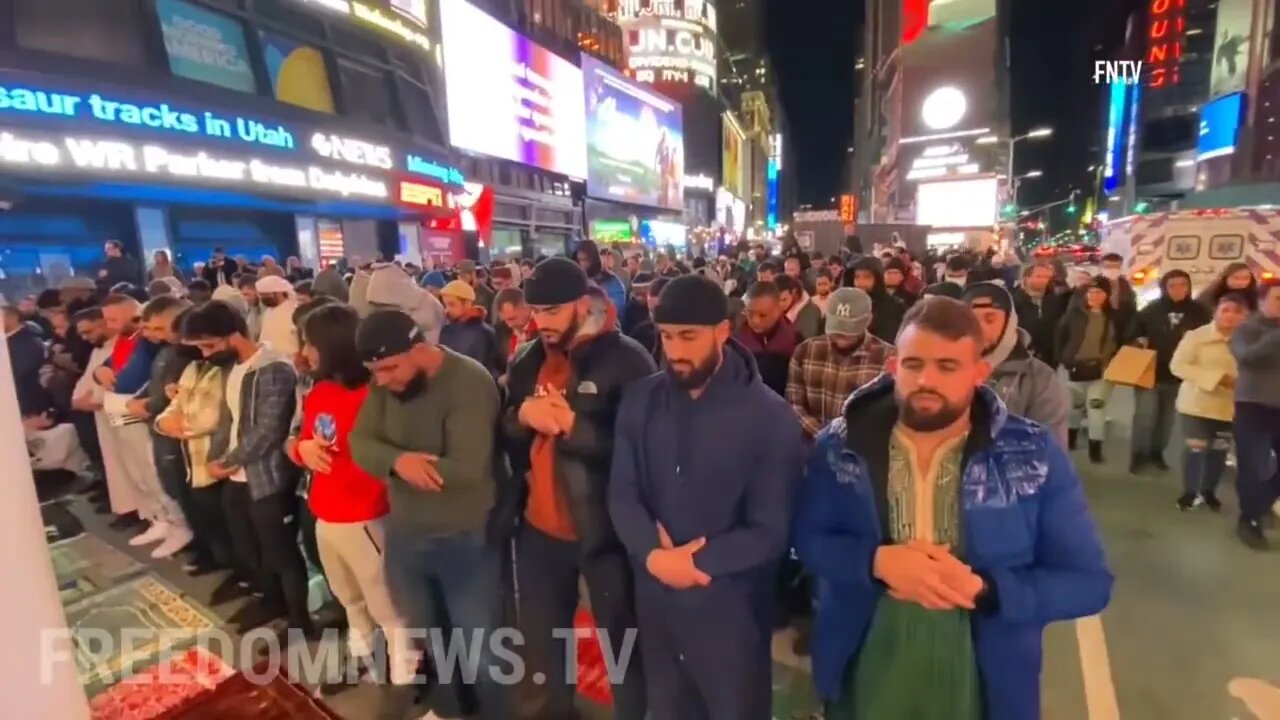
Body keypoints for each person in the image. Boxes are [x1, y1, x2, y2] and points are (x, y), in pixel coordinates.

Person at [795, 296, 1112, 720]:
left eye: (947, 367)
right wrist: (874, 562)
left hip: (983, 665)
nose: (927, 379)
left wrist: (987, 590)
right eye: (913, 365)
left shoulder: (1033, 455)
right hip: (866, 650)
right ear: (893, 368)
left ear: (979, 373)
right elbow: (808, 540)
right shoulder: (841, 446)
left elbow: (1089, 583)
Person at [609, 274, 803, 719]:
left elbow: (772, 530)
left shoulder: (770, 419)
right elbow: (623, 493)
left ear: (722, 331)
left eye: (688, 337)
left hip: (731, 612)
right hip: (656, 605)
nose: (675, 351)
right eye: (667, 336)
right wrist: (654, 557)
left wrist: (693, 564)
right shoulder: (641, 401)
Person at [502, 258, 655, 720]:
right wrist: (522, 417)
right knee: (545, 650)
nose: (541, 323)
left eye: (551, 312)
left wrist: (574, 426)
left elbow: (645, 451)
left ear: (582, 304)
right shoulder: (528, 359)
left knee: (623, 649)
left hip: (606, 534)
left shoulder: (627, 360)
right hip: (538, 531)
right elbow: (506, 428)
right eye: (536, 312)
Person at [350, 309, 502, 719]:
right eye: (374, 372)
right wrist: (400, 462)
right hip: (406, 535)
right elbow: (360, 442)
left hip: (464, 538)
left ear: (420, 349)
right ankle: (452, 710)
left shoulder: (468, 382)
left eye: (388, 368)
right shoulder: (387, 384)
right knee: (432, 639)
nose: (381, 380)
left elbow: (467, 468)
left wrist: (405, 465)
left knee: (482, 650)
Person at [287, 304, 413, 692]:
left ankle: (404, 678)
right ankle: (362, 658)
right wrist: (300, 450)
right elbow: (302, 439)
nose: (304, 352)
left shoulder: (377, 395)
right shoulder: (320, 390)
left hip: (365, 518)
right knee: (349, 599)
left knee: (389, 608)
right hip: (326, 515)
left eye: (309, 343)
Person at [185, 301, 310, 634]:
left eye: (210, 345)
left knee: (280, 552)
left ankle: (299, 620)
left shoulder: (274, 368)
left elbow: (269, 430)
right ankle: (270, 601)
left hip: (267, 477)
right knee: (247, 547)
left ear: (235, 335)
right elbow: (230, 419)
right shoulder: (234, 369)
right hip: (238, 476)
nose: (205, 354)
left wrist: (228, 461)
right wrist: (217, 457)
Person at [123, 296, 197, 560]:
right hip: (158, 425)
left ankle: (188, 531)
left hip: (176, 429)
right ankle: (173, 523)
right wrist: (143, 400)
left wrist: (150, 404)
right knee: (160, 478)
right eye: (149, 328)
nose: (152, 335)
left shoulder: (191, 354)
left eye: (159, 328)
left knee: (178, 481)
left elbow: (178, 393)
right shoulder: (165, 351)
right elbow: (156, 383)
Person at [962, 282, 1070, 447]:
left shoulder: (1038, 378)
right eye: (970, 320)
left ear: (1009, 323)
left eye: (990, 319)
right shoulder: (945, 369)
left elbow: (1049, 451)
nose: (979, 328)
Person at [1169, 292, 1248, 511]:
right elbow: (1178, 366)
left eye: (1238, 312)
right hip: (1196, 404)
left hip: (1229, 409)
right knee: (1196, 448)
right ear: (1216, 312)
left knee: (1219, 451)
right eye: (1226, 310)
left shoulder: (1249, 341)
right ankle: (1189, 492)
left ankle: (1208, 491)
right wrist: (1217, 378)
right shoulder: (1196, 336)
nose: (1231, 316)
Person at [1126, 269, 1211, 473]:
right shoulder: (1150, 311)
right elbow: (1131, 334)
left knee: (1166, 420)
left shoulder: (1199, 312)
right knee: (1145, 417)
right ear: (1164, 288)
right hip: (1150, 372)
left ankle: (1157, 453)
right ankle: (1139, 455)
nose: (1178, 289)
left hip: (1180, 377)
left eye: (1183, 285)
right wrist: (1138, 340)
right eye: (1172, 285)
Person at [786, 288, 895, 439]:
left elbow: (889, 414)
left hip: (862, 450)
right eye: (838, 326)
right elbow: (794, 403)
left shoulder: (888, 358)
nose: (841, 334)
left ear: (868, 320)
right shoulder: (805, 351)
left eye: (849, 328)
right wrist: (822, 435)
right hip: (811, 448)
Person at [1229, 279, 1280, 549]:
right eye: (1278, 299)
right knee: (1253, 467)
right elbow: (1246, 357)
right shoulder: (1246, 330)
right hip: (1253, 407)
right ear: (1262, 301)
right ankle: (1249, 520)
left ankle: (1259, 504)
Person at [1057, 277, 1119, 462]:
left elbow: (1120, 339)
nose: (1094, 296)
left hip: (1101, 370)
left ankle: (1095, 448)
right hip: (1074, 369)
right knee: (1075, 407)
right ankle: (1071, 439)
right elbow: (1060, 338)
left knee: (1096, 407)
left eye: (1100, 292)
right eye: (1091, 292)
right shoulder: (1073, 315)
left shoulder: (1112, 318)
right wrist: (1064, 359)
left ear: (1107, 296)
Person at [735, 280, 801, 397]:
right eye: (749, 313)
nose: (755, 321)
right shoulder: (736, 342)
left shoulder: (795, 341)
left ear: (779, 309)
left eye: (763, 315)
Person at [439, 280, 504, 378]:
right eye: (445, 305)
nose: (447, 310)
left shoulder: (484, 333)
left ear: (467, 303)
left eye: (452, 304)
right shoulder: (446, 331)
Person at [5, 304, 52, 419]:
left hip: (26, 407)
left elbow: (20, 373)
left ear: (14, 318)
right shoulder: (9, 341)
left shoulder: (27, 341)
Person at [847, 257, 907, 342]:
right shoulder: (847, 304)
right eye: (857, 277)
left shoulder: (894, 306)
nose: (860, 283)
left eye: (867, 277)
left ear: (878, 279)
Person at [575, 240, 628, 315]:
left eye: (584, 260)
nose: (581, 264)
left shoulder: (612, 281)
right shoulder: (575, 280)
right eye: (579, 260)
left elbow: (617, 310)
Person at [255, 274, 299, 355]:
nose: (263, 298)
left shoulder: (295, 311)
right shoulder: (267, 312)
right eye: (261, 295)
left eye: (266, 295)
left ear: (280, 293)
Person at [777, 274, 824, 340]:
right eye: (776, 300)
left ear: (794, 292)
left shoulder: (809, 313)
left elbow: (805, 343)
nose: (780, 304)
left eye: (784, 299)